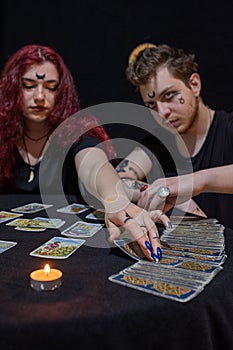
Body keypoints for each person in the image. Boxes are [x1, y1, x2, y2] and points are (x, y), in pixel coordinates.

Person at [0, 44, 170, 260]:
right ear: (12, 87)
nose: (40, 96)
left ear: (62, 92)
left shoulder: (75, 129)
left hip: (69, 256)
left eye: (51, 87)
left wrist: (115, 200)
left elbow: (93, 164)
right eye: (29, 85)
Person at [123, 42, 233, 229]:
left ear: (194, 85)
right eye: (151, 105)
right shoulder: (158, 142)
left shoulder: (228, 128)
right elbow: (114, 181)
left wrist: (197, 181)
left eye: (169, 95)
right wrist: (166, 193)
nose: (162, 112)